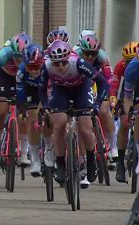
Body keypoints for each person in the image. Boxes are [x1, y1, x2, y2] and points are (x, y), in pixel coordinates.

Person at [39, 40, 109, 188]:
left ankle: (91, 159)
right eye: (56, 63)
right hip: (60, 90)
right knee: (58, 125)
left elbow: (102, 83)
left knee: (85, 128)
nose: (60, 67)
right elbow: (41, 88)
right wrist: (45, 106)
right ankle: (60, 164)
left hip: (81, 89)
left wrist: (97, 104)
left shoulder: (78, 63)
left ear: (67, 59)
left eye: (63, 63)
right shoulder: (46, 66)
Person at [0, 33, 32, 172]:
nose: (19, 60)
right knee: (1, 109)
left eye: (22, 57)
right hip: (4, 78)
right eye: (16, 57)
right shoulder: (2, 57)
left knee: (25, 114)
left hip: (23, 79)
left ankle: (24, 152)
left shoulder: (32, 56)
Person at [74, 35, 118, 162]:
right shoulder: (75, 56)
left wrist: (107, 96)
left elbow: (107, 79)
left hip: (97, 83)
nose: (90, 57)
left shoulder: (102, 57)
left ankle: (113, 146)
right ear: (81, 51)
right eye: (87, 54)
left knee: (104, 111)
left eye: (93, 54)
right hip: (81, 84)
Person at [16, 44, 53, 176]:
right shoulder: (21, 72)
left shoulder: (49, 67)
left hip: (46, 90)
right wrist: (22, 111)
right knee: (32, 117)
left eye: (36, 67)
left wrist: (45, 106)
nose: (32, 71)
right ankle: (35, 159)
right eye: (29, 67)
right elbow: (20, 96)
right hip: (31, 91)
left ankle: (49, 147)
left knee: (48, 115)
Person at [111, 41, 139, 183]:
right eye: (126, 61)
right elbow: (116, 87)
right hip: (130, 87)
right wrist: (114, 100)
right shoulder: (126, 67)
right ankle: (121, 162)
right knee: (124, 124)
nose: (128, 63)